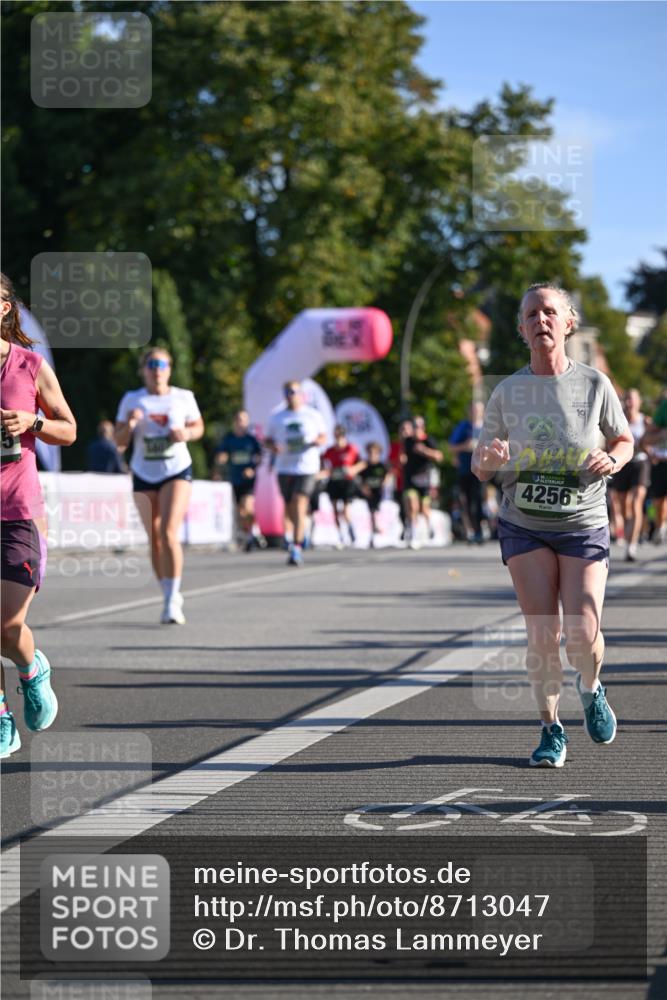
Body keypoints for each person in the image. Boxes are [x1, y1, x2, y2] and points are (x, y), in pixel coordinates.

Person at [472, 282, 633, 769]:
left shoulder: (594, 384)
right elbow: (481, 467)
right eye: (530, 315)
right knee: (543, 633)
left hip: (583, 521)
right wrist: (491, 458)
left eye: (549, 312)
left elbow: (624, 438)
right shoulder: (507, 391)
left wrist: (613, 458)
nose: (540, 320)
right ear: (521, 330)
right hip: (525, 523)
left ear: (567, 323)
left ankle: (591, 686)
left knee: (583, 634)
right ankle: (550, 729)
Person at [0, 273, 77, 758]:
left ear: (5, 308)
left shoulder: (30, 366)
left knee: (6, 625)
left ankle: (32, 669)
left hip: (18, 511)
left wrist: (34, 422)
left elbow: (68, 429)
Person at [115, 347, 204, 624]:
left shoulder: (183, 397)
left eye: (162, 364)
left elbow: (199, 428)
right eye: (151, 364)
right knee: (153, 537)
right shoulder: (132, 399)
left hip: (175, 469)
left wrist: (186, 433)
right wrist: (130, 424)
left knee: (168, 531)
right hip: (143, 471)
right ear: (143, 370)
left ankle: (172, 599)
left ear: (169, 369)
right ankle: (166, 591)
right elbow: (119, 442)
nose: (156, 369)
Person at [264, 381, 327, 566]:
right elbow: (267, 440)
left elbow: (324, 436)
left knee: (300, 504)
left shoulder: (312, 415)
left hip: (307, 467)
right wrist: (273, 446)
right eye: (288, 392)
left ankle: (296, 547)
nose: (292, 395)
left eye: (295, 391)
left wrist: (316, 441)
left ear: (301, 394)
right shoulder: (277, 417)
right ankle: (302, 531)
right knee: (290, 506)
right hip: (284, 467)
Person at [608, 388, 651, 561]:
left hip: (640, 463)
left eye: (632, 399)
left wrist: (647, 446)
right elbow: (609, 441)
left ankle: (631, 546)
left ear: (639, 402)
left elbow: (654, 440)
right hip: (622, 465)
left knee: (636, 501)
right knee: (623, 505)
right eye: (626, 399)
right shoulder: (618, 420)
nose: (629, 402)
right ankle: (627, 535)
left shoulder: (645, 421)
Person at [213, 410, 265, 551]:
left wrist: (252, 468)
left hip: (248, 479)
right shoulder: (229, 439)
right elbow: (221, 454)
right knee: (240, 511)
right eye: (238, 419)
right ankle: (250, 535)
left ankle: (254, 531)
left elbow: (260, 456)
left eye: (243, 419)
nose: (240, 422)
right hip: (234, 478)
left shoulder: (251, 440)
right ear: (234, 422)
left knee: (247, 507)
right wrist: (220, 462)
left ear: (247, 422)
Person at [449, 401, 486, 543]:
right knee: (469, 501)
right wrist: (466, 446)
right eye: (473, 410)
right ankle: (475, 531)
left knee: (480, 500)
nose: (475, 413)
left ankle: (482, 529)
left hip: (484, 470)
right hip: (466, 470)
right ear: (469, 411)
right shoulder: (463, 427)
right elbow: (452, 447)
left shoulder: (488, 426)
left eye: (478, 410)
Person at [403, 416, 443, 548]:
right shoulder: (408, 441)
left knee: (424, 509)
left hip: (425, 480)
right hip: (411, 479)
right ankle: (414, 535)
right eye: (414, 426)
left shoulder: (429, 440)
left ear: (423, 428)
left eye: (419, 426)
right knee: (412, 506)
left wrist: (424, 451)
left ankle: (431, 531)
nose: (416, 429)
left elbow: (439, 456)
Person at [323, 425, 361, 548]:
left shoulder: (351, 448)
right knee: (335, 510)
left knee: (345, 510)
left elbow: (362, 463)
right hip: (334, 482)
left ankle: (351, 530)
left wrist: (353, 470)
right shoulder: (330, 451)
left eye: (341, 434)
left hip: (347, 482)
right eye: (336, 435)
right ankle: (340, 535)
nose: (338, 437)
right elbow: (322, 463)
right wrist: (325, 471)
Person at [357, 441, 389, 546]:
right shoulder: (364, 466)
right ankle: (372, 535)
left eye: (375, 453)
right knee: (371, 513)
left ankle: (379, 531)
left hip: (379, 493)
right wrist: (364, 488)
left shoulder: (382, 466)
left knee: (377, 512)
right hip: (368, 494)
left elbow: (387, 476)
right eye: (370, 453)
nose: (372, 455)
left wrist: (384, 484)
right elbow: (360, 479)